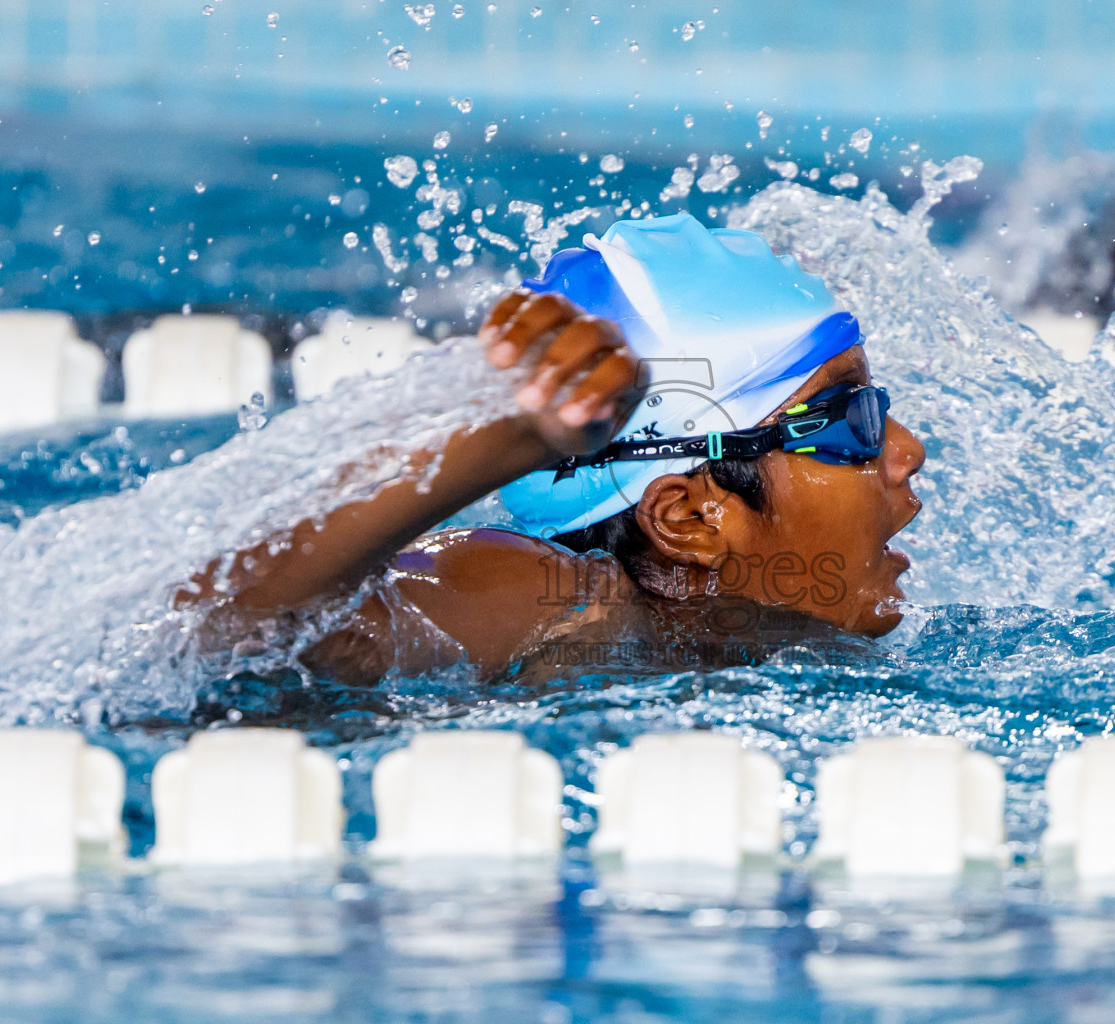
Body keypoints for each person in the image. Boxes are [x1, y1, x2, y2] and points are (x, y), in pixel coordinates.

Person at [188, 214, 925, 685]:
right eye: (846, 419)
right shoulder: (555, 601)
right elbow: (232, 623)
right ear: (687, 519)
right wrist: (516, 441)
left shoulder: (762, 647)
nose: (907, 451)